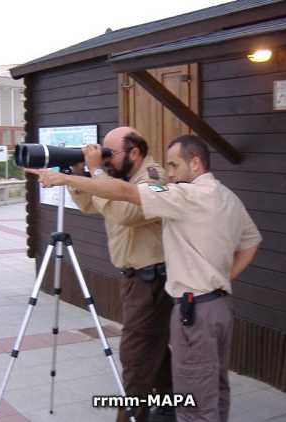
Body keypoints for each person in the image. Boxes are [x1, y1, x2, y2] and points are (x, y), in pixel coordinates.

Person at [28, 135, 262, 422]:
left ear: (195, 163)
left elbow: (127, 199)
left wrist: (78, 175)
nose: (170, 173)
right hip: (218, 304)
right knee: (213, 384)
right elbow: (251, 242)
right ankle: (166, 403)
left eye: (174, 165)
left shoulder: (182, 193)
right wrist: (222, 278)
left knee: (192, 399)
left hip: (191, 306)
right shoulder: (227, 195)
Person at [64, 127, 174, 422]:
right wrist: (80, 174)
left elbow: (125, 214)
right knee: (153, 343)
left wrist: (97, 173)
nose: (105, 159)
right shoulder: (120, 179)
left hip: (152, 279)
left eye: (110, 153)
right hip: (133, 278)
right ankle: (169, 404)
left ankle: (132, 417)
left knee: (135, 353)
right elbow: (90, 204)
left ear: (134, 153)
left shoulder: (155, 178)